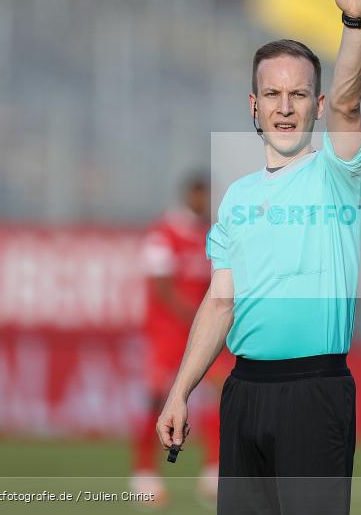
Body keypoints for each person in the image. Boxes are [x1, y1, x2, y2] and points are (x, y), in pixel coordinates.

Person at [156, 0, 361, 515]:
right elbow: (220, 301)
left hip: (315, 393)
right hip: (243, 394)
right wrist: (180, 392)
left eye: (299, 94)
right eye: (273, 95)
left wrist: (354, 22)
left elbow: (351, 108)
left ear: (317, 105)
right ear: (254, 106)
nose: (285, 107)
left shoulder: (338, 174)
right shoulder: (237, 198)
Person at [131, 172, 226, 508]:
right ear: (191, 195)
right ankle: (143, 474)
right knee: (157, 398)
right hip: (167, 333)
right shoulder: (164, 233)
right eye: (203, 195)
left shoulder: (209, 234)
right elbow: (162, 286)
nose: (206, 202)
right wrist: (194, 315)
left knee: (220, 392)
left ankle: (214, 470)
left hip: (200, 331)